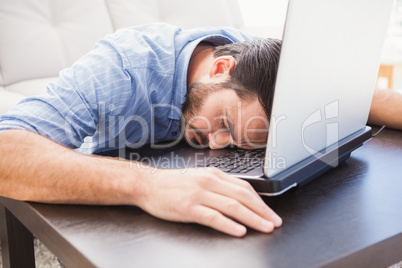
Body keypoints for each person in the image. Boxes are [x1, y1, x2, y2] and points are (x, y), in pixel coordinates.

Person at [0, 23, 400, 238]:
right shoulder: (122, 68)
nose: (216, 147)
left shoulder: (261, 61)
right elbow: (7, 151)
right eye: (224, 123)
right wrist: (148, 184)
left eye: (241, 140)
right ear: (221, 69)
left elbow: (360, 96)